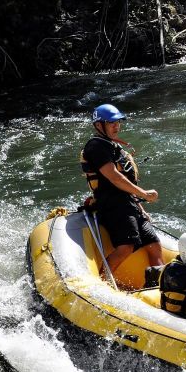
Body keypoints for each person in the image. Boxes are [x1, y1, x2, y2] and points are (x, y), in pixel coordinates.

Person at [79, 103, 163, 280]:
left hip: (129, 203)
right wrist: (144, 194)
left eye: (118, 122)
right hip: (112, 205)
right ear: (98, 125)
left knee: (154, 243)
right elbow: (114, 177)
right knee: (126, 245)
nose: (116, 126)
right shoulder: (96, 147)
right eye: (111, 123)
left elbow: (124, 182)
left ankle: (162, 286)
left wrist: (140, 207)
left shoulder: (112, 146)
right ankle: (102, 284)